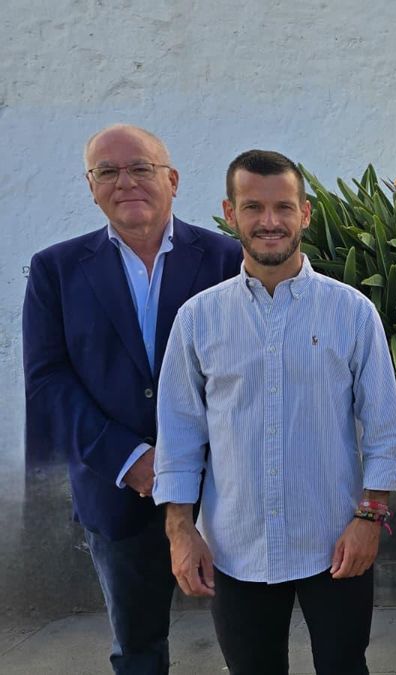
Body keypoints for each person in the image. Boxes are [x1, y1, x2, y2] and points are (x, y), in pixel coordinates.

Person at [152, 150, 396, 675]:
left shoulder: (352, 311)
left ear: (304, 214)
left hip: (335, 541)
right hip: (234, 544)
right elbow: (178, 434)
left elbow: (383, 427)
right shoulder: (199, 319)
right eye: (253, 207)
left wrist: (369, 517)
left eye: (283, 207)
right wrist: (181, 531)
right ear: (230, 212)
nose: (270, 222)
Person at [22, 124, 242, 673]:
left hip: (225, 487)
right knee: (138, 650)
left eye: (141, 168)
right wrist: (133, 460)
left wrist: (193, 462)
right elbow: (47, 381)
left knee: (249, 641)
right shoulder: (56, 270)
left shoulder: (225, 259)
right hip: (116, 488)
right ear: (90, 187)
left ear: (172, 179)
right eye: (108, 172)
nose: (126, 182)